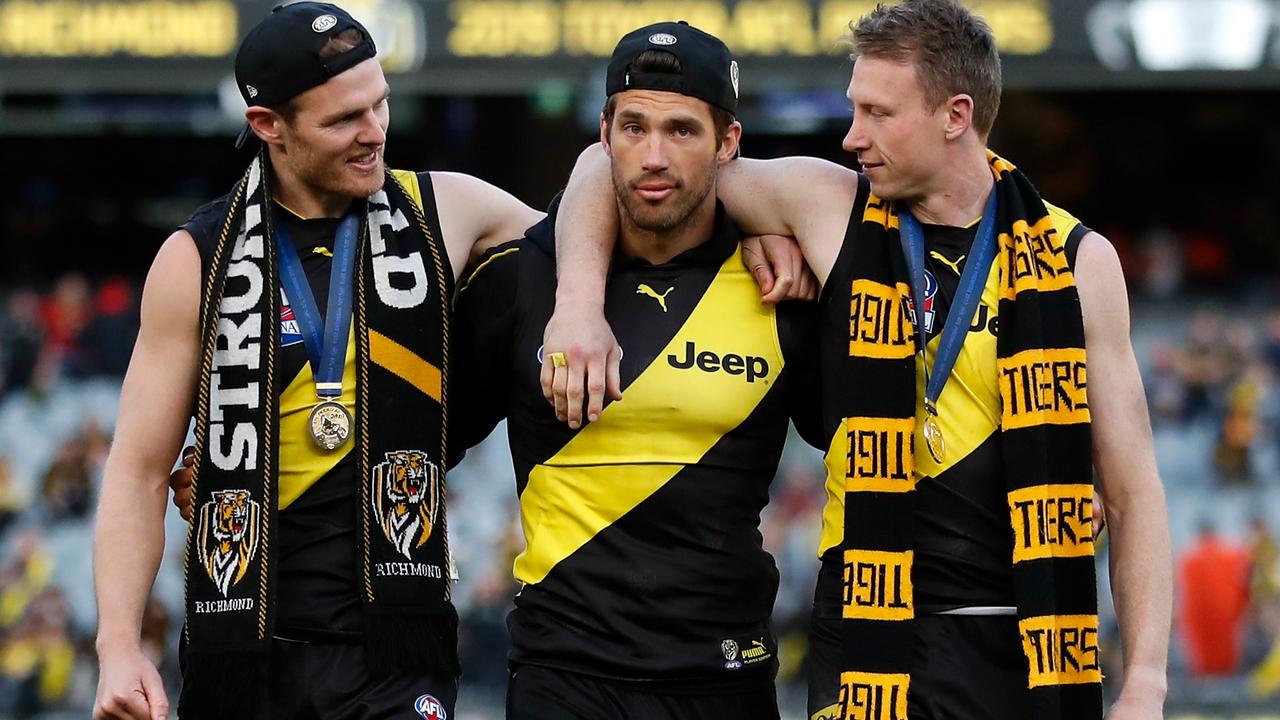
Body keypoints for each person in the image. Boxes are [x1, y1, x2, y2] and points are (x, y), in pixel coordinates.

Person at [542, 1, 1172, 718]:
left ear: (954, 115)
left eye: (877, 113)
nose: (852, 136)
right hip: (866, 637)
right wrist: (579, 305)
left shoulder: (1076, 259)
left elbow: (1132, 490)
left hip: (1022, 636)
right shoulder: (829, 209)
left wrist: (1146, 679)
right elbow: (606, 164)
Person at [90, 4, 543, 719]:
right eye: (344, 120)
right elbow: (139, 471)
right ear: (269, 126)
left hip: (399, 654)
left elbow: (596, 235)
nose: (375, 133)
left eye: (381, 104)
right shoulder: (195, 260)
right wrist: (117, 646)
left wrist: (763, 220)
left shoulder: (446, 209)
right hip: (241, 655)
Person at [449, 21, 820, 719]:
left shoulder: (781, 282)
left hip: (727, 680)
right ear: (604, 133)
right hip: (563, 679)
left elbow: (864, 439)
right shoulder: (523, 278)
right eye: (634, 127)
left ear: (729, 144)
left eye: (682, 130)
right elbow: (415, 440)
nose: (654, 155)